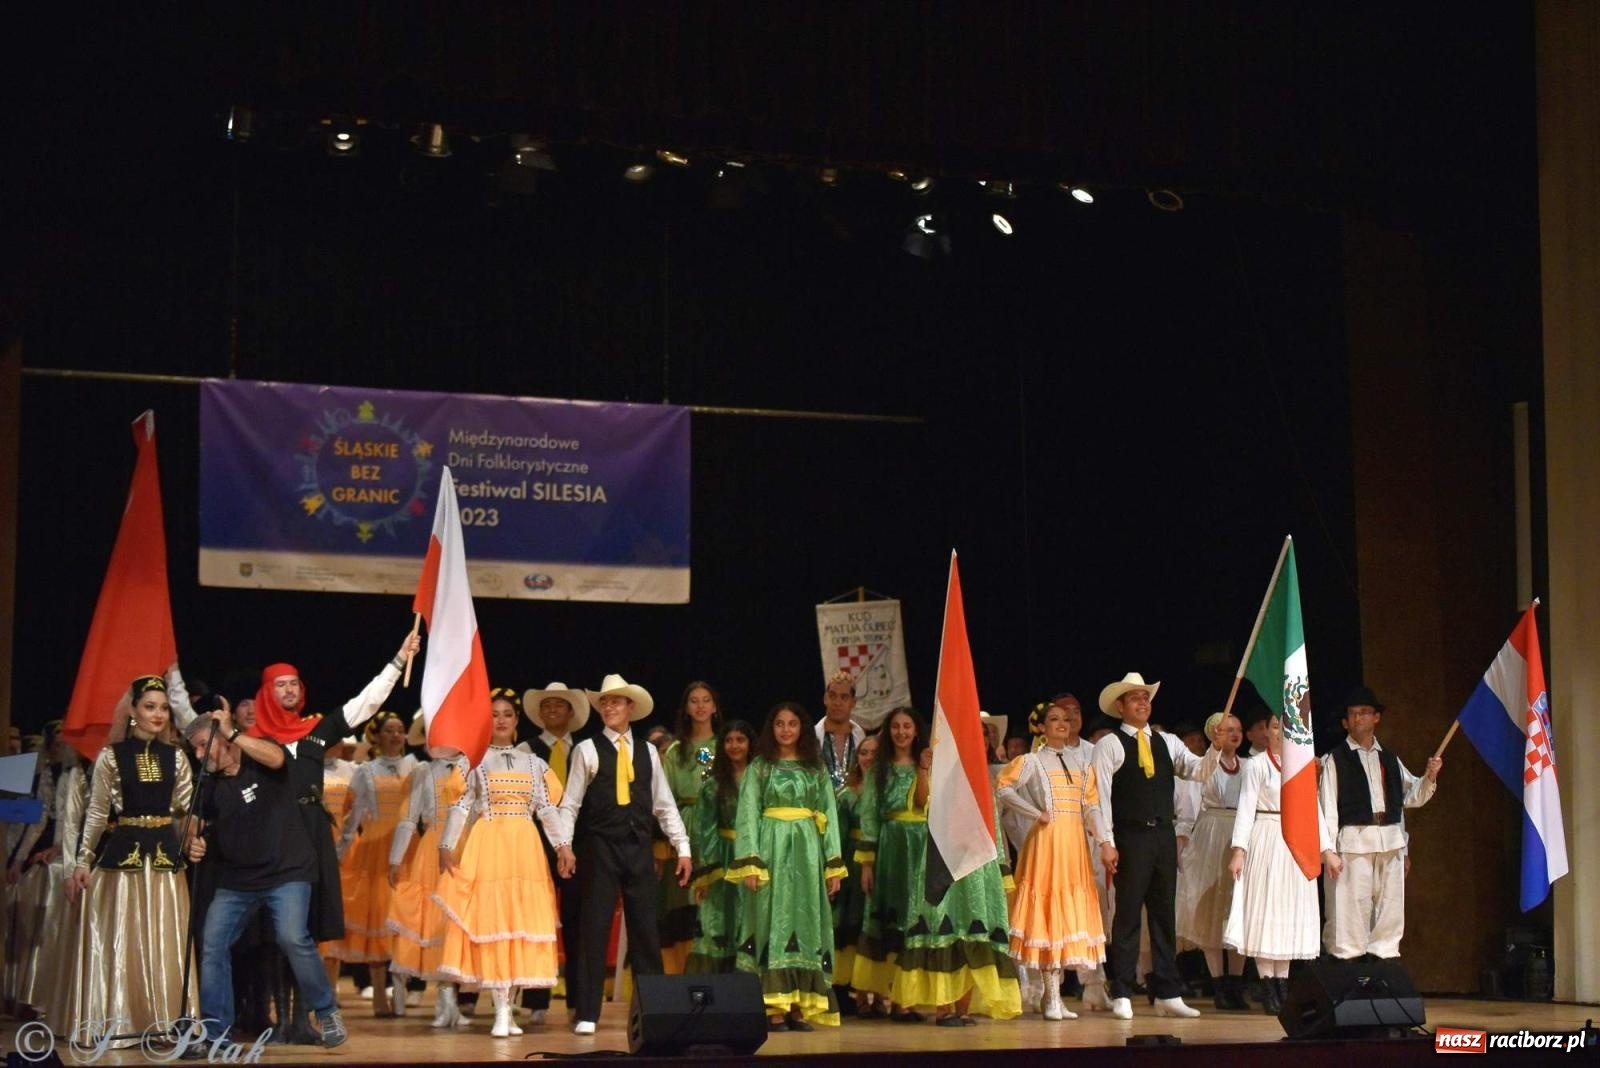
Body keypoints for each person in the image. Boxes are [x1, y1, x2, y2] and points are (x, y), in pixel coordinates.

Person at [240, 635, 420, 1014]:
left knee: (303, 928)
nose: (289, 690)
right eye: (280, 684)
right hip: (267, 836)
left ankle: (303, 1013)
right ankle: (259, 1010)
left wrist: (400, 659)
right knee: (264, 930)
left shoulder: (316, 729)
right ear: (266, 693)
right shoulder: (253, 739)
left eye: (294, 683)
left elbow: (366, 703)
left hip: (310, 833)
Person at [186, 704, 348, 1048]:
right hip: (237, 881)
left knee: (292, 937)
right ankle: (216, 1034)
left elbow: (276, 759)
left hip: (286, 871)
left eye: (204, 744)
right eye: (195, 749)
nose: (199, 755)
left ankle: (327, 1011)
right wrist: (191, 840)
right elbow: (195, 822)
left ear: (224, 739)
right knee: (212, 944)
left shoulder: (261, 758)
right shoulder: (209, 785)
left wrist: (231, 731)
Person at [554, 674, 692, 1036]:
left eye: (616, 702)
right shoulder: (586, 750)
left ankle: (653, 1010)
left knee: (646, 930)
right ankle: (587, 1011)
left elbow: (664, 805)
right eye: (605, 702)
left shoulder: (647, 752)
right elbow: (570, 804)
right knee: (594, 929)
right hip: (600, 848)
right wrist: (564, 846)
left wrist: (683, 847)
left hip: (638, 848)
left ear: (630, 707)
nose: (610, 708)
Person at [63, 676, 194, 1043]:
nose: (158, 714)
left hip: (166, 862)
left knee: (165, 939)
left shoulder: (177, 756)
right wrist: (82, 861)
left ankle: (166, 1020)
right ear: (133, 712)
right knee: (123, 940)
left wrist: (195, 834)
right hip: (124, 859)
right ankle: (122, 1021)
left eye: (164, 708)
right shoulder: (112, 756)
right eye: (150, 707)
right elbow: (96, 811)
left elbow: (187, 809)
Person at [435, 693, 565, 1037]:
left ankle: (508, 1007)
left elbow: (547, 810)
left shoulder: (534, 763)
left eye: (508, 714)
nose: (502, 720)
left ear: (517, 720)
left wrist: (564, 846)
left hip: (524, 846)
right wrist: (446, 844)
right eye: (494, 715)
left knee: (518, 921)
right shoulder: (473, 762)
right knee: (493, 921)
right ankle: (501, 1011)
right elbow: (460, 807)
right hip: (489, 842)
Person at [1091, 672, 1216, 1019]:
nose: (1142, 703)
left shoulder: (1168, 741)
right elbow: (1097, 797)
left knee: (1164, 914)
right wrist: (1106, 841)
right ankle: (1122, 990)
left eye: (1145, 697)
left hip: (1162, 836)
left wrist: (1216, 746)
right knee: (1128, 915)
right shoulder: (1110, 745)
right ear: (1121, 706)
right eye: (1134, 698)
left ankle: (1167, 991)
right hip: (1130, 836)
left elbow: (1199, 771)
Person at [729, 702, 846, 1030]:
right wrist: (750, 862)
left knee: (806, 919)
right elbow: (748, 811)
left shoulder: (815, 767)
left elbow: (830, 815)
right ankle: (772, 1007)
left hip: (807, 852)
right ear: (771, 728)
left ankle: (799, 1004)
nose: (785, 730)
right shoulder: (761, 767)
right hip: (771, 848)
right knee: (771, 918)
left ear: (802, 729)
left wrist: (833, 864)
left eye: (792, 724)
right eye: (779, 724)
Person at [997, 700, 1107, 1020]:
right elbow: (1003, 789)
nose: (1062, 723)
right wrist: (1035, 813)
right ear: (1041, 727)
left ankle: (1055, 997)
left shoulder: (1081, 763)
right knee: (1048, 913)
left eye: (1065, 719)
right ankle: (1051, 996)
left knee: (1066, 916)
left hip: (1073, 845)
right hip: (1046, 841)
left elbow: (1092, 807)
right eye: (1054, 719)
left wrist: (1104, 841)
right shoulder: (1032, 761)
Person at [1318, 685, 1441, 961]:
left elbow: (1408, 799)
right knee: (1350, 908)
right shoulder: (1335, 759)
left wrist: (1430, 776)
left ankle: (1383, 962)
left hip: (1389, 841)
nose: (1359, 718)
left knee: (1389, 908)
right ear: (1345, 722)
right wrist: (1328, 851)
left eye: (1364, 712)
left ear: (1376, 718)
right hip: (1353, 842)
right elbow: (1326, 808)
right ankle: (1347, 963)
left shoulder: (1389, 758)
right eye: (1353, 714)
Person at [1225, 712, 1335, 1013]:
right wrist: (1239, 850)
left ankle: (1282, 985)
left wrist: (1327, 850)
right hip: (1267, 836)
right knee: (1266, 910)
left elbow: (1314, 809)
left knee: (1288, 913)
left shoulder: (1299, 766)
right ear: (1266, 732)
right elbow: (1246, 809)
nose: (1279, 732)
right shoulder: (1258, 765)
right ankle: (1267, 983)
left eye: (1284, 727)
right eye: (1274, 727)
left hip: (1295, 841)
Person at [334, 711, 418, 1015]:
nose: (395, 735)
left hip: (408, 849)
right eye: (389, 730)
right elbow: (351, 816)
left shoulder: (416, 767)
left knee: (406, 920)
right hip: (374, 849)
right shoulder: (365, 771)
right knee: (380, 919)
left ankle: (401, 985)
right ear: (377, 736)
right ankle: (381, 989)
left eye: (400, 730)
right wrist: (341, 850)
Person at [852, 708, 929, 1020]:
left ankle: (906, 999)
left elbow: (926, 804)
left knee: (916, 921)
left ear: (915, 730)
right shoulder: (878, 771)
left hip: (920, 847)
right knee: (891, 923)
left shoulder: (924, 767)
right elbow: (869, 817)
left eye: (907, 726)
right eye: (895, 727)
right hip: (891, 849)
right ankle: (885, 994)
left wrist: (925, 769)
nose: (901, 732)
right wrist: (868, 864)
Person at [386, 741, 470, 1025]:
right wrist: (396, 858)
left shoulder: (473, 766)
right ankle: (444, 1000)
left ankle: (453, 998)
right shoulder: (424, 772)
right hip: (433, 849)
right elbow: (409, 819)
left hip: (468, 847)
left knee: (459, 922)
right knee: (436, 922)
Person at [519, 682, 588, 1024]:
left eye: (559, 706)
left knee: (578, 922)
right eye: (546, 706)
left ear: (571, 712)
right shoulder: (525, 750)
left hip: (579, 847)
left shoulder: (587, 750)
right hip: (536, 846)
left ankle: (578, 1001)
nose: (552, 711)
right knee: (538, 922)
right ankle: (536, 1001)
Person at [1176, 712, 1249, 1009]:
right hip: (1211, 834)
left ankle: (1236, 983)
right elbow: (1189, 807)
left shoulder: (1249, 766)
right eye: (1226, 730)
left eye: (1238, 729)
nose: (1234, 734)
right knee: (1210, 911)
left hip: (1240, 833)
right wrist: (1183, 842)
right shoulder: (1204, 765)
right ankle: (1218, 984)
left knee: (1237, 910)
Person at [657, 681, 722, 973]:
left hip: (719, 831)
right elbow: (664, 798)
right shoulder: (675, 751)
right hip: (684, 828)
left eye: (706, 700)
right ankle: (684, 970)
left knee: (716, 900)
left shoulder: (726, 744)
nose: (700, 706)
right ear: (686, 708)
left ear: (715, 706)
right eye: (694, 701)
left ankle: (718, 967)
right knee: (682, 902)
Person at [686, 719, 755, 974]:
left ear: (750, 744)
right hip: (723, 860)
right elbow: (704, 829)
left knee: (749, 918)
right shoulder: (714, 784)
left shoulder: (761, 779)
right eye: (728, 740)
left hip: (753, 857)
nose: (734, 745)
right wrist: (706, 873)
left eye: (740, 740)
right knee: (718, 919)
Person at [831, 732, 877, 1013]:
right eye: (863, 753)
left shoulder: (886, 788)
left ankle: (877, 993)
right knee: (852, 924)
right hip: (852, 860)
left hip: (881, 858)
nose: (868, 758)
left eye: (874, 753)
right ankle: (852, 992)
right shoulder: (845, 795)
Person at [817, 671, 866, 790]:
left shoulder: (860, 738)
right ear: (825, 699)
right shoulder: (812, 737)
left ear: (853, 703)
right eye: (832, 696)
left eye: (844, 697)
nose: (837, 703)